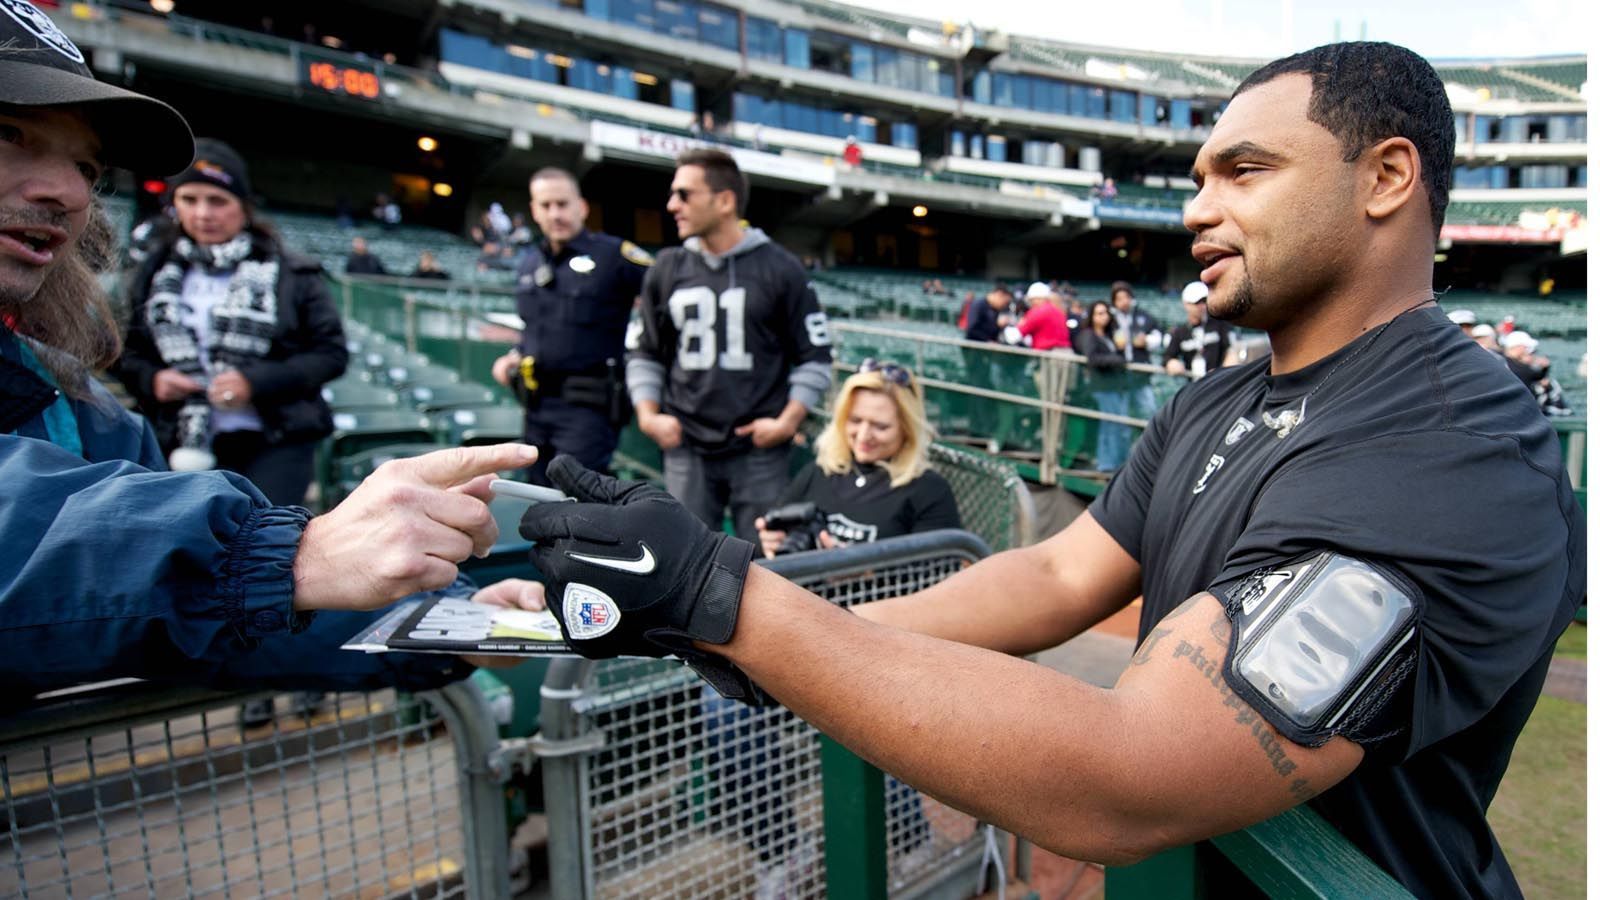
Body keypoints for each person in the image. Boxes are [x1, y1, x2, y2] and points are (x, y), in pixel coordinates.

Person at [514, 42, 1583, 899]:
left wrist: (729, 604)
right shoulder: (1217, 395)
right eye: (1198, 176)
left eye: (1245, 171)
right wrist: (767, 632)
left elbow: (1135, 773)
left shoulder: (1455, 444)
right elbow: (1051, 579)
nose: (1195, 209)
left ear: (1387, 177)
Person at [0, 0, 544, 703]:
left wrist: (440, 621)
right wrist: (288, 557)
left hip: (269, 443)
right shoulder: (149, 284)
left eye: (85, 163)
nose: (71, 190)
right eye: (11, 133)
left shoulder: (76, 405)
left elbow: (196, 606)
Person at [627, 148, 833, 542]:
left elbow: (815, 356)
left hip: (759, 448)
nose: (672, 205)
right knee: (685, 560)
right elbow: (645, 351)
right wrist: (648, 414)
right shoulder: (666, 268)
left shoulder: (780, 267)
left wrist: (787, 421)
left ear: (724, 201)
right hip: (686, 443)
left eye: (685, 194)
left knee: (763, 564)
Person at [490, 167, 652, 485]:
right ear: (534, 210)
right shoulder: (529, 263)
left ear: (582, 207)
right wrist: (514, 355)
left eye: (563, 204)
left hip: (589, 408)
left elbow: (667, 293)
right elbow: (535, 328)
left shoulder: (613, 256)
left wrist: (647, 358)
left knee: (576, 504)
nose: (555, 213)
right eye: (546, 205)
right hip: (535, 406)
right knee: (537, 499)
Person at [755, 359, 960, 557]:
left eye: (880, 426)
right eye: (855, 420)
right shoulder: (819, 471)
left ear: (906, 430)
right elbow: (774, 534)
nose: (863, 435)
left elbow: (938, 577)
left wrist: (861, 573)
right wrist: (772, 539)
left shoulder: (929, 490)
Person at [1073, 300, 1132, 471]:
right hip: (1102, 387)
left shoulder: (1109, 335)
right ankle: (1108, 464)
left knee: (1118, 426)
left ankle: (1117, 463)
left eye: (1105, 312)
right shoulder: (1088, 335)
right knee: (1111, 426)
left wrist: (1120, 353)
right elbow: (1093, 358)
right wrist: (1118, 360)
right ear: (1091, 316)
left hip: (1115, 386)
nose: (1103, 317)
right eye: (1099, 313)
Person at [1163, 280, 1235, 377]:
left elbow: (1231, 350)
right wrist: (1172, 363)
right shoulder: (1180, 332)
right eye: (1197, 303)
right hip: (1195, 384)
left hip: (1219, 382)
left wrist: (1223, 371)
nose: (1202, 306)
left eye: (1204, 301)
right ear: (1186, 304)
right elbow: (1167, 357)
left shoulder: (1220, 324)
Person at [1016, 281, 1072, 351]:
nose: (1030, 303)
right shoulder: (1057, 311)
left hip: (1049, 354)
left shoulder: (1038, 311)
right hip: (1065, 352)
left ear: (1036, 298)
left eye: (1031, 300)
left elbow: (1016, 335)